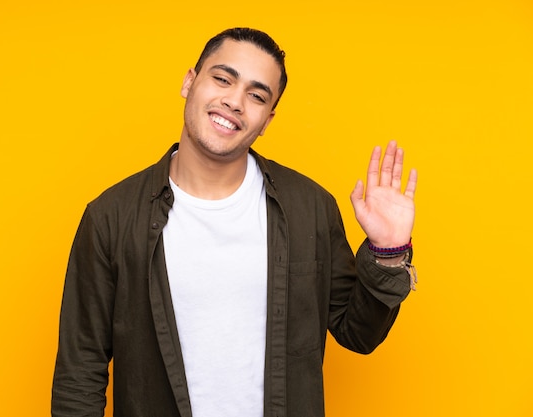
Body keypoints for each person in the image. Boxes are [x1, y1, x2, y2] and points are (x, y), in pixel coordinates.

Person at [52, 27, 418, 417]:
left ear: (267, 119)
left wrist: (388, 254)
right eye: (222, 79)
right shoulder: (112, 217)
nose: (235, 102)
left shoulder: (309, 208)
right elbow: (80, 371)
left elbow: (358, 333)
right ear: (189, 82)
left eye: (257, 95)